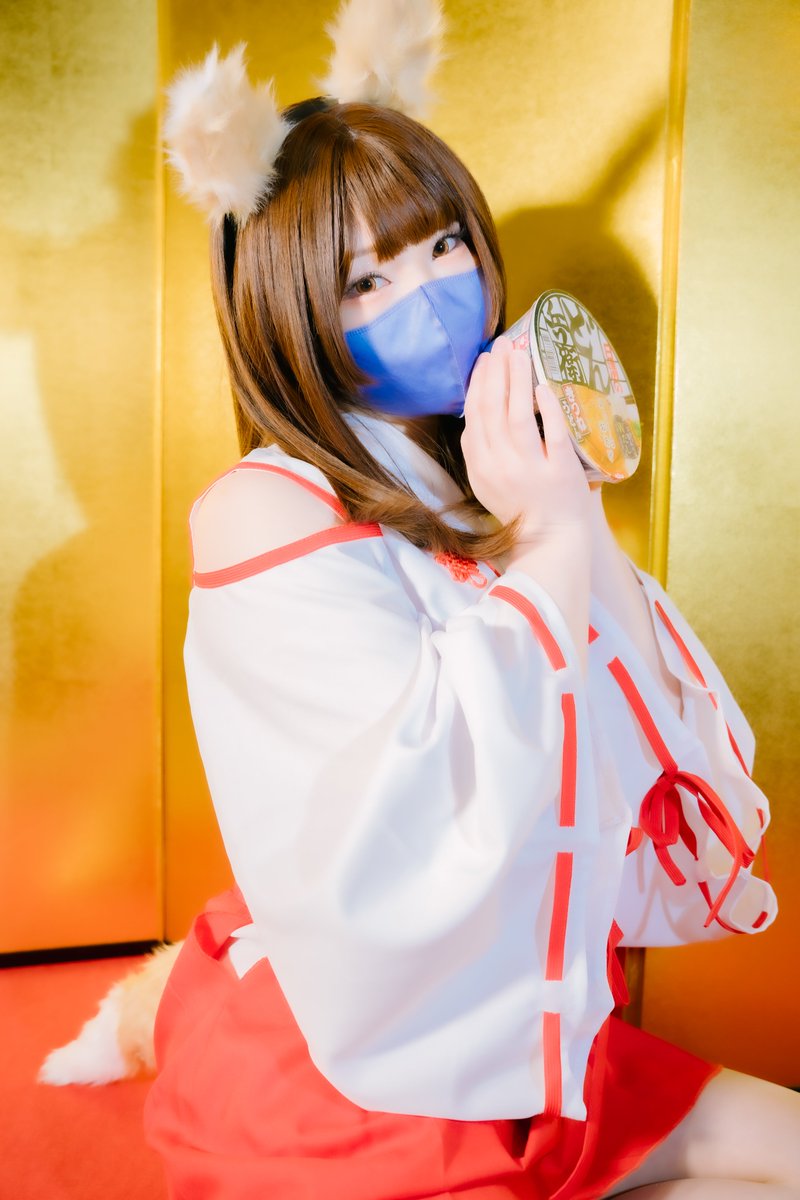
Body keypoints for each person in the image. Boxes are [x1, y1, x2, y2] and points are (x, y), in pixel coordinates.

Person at [144, 10, 799, 1199]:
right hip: (361, 1055)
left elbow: (638, 741)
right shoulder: (259, 510)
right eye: (367, 279)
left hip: (531, 1018)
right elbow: (424, 811)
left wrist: (566, 512)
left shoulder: (476, 475)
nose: (434, 291)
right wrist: (547, 536)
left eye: (443, 243)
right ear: (289, 313)